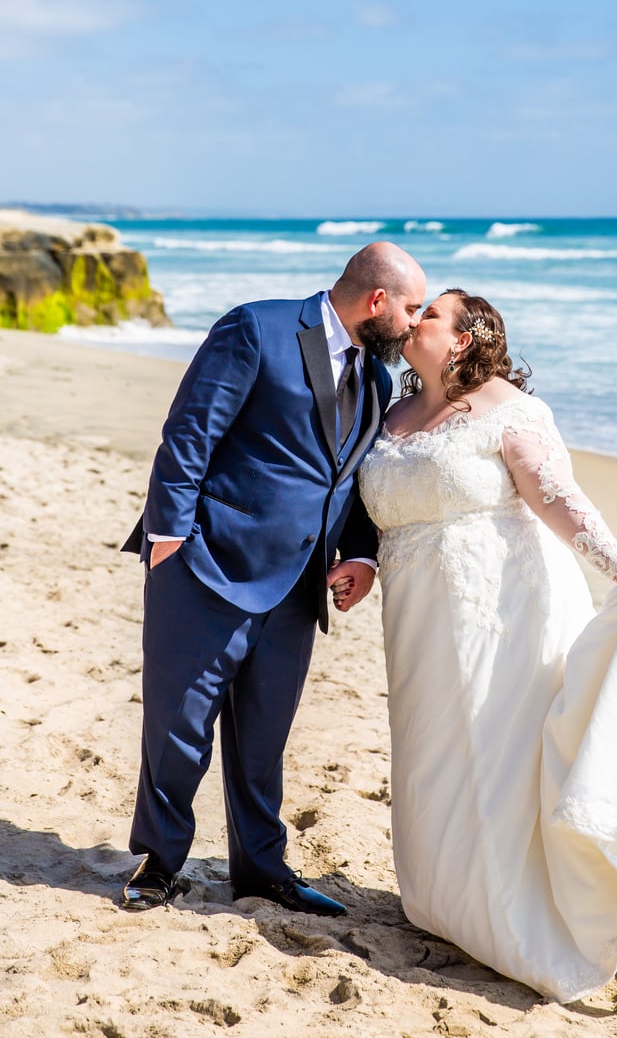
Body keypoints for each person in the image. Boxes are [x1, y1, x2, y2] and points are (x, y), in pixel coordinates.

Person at [351, 288, 617, 1003]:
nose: (413, 321)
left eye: (432, 315)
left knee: (500, 755)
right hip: (418, 617)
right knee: (432, 755)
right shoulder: (389, 412)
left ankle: (517, 918)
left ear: (465, 340)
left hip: (505, 610)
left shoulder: (510, 409)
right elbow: (377, 509)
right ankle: (446, 902)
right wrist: (361, 559)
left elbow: (555, 497)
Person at [119, 241, 426, 916]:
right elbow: (191, 431)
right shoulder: (255, 327)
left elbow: (349, 478)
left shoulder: (375, 379)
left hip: (299, 586)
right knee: (180, 729)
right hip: (206, 565)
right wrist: (170, 536)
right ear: (377, 300)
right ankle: (160, 863)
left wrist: (360, 554)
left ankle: (261, 870)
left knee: (264, 736)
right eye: (410, 308)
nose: (413, 323)